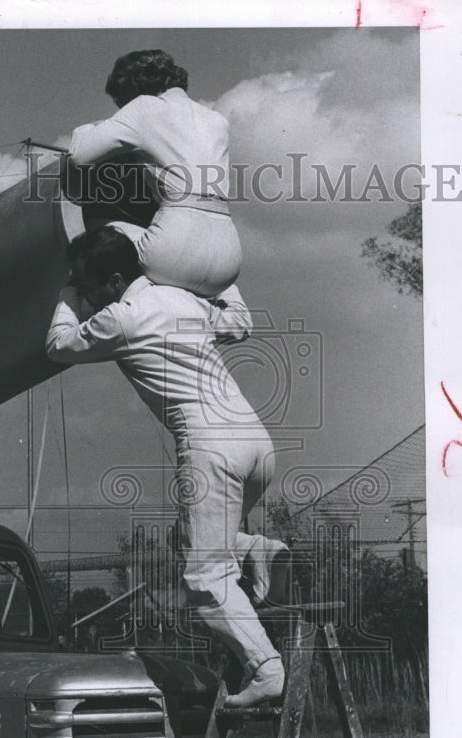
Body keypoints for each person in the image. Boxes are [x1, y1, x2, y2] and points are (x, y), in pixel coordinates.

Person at [45, 226, 284, 706]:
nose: (88, 299)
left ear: (114, 282)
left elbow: (57, 345)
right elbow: (239, 321)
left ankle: (266, 670)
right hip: (256, 444)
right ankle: (255, 546)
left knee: (205, 579)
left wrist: (67, 292)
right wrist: (206, 270)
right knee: (189, 537)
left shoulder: (122, 317)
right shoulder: (182, 299)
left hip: (210, 449)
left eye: (91, 288)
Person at [67, 49, 242, 299]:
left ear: (132, 89)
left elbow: (79, 157)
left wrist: (89, 128)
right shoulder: (217, 120)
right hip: (228, 263)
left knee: (104, 231)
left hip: (171, 252)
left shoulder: (143, 107)